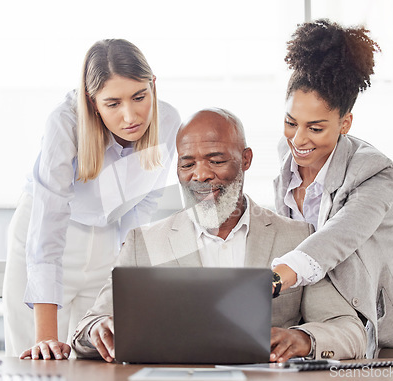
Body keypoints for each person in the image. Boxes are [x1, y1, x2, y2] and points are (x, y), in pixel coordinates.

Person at [71, 108, 367, 363]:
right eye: (187, 164)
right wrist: (97, 330)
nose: (200, 175)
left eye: (215, 160)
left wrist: (304, 338)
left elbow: (349, 330)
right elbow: (87, 329)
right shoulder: (143, 243)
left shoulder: (297, 237)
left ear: (246, 159)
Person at [271, 19, 393, 358]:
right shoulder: (286, 152)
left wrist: (276, 277)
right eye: (291, 122)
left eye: (316, 128)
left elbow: (340, 235)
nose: (299, 139)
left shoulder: (375, 171)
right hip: (339, 322)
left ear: (344, 123)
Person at [2, 39, 181, 360]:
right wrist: (44, 338)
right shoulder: (65, 123)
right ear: (92, 101)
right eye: (113, 103)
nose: (131, 116)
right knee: (35, 361)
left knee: (97, 357)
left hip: (107, 238)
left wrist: (125, 278)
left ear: (153, 85)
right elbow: (48, 223)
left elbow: (144, 206)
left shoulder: (168, 121)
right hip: (45, 236)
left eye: (139, 97)